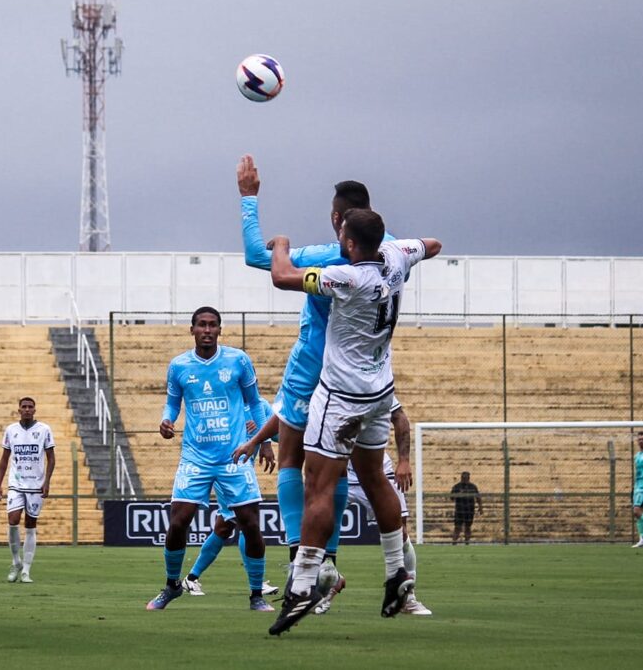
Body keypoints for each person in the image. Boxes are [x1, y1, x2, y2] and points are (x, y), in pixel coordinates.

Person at [265, 209, 441, 635]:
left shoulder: (344, 277)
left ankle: (303, 583)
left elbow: (282, 276)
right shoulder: (398, 257)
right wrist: (404, 249)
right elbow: (432, 245)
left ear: (347, 243)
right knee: (374, 478)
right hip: (381, 393)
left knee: (319, 484)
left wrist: (282, 243)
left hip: (342, 397)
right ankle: (398, 572)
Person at [237, 155, 397, 585]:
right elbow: (431, 247)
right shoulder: (396, 251)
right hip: (367, 374)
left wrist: (249, 198)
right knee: (337, 466)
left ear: (337, 219)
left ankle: (300, 561)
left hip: (312, 369)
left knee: (292, 458)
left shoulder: (328, 257)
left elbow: (261, 258)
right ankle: (330, 559)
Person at [146, 306, 273, 612]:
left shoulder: (238, 360)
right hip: (195, 458)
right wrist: (167, 421)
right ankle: (172, 585)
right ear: (192, 330)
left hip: (234, 457)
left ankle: (256, 594)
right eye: (201, 325)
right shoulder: (179, 366)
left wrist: (264, 441)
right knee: (177, 522)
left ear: (219, 330)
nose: (207, 329)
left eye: (212, 325)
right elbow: (172, 403)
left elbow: (254, 403)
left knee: (251, 525)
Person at [341, 398, 431, 615]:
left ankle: (408, 597)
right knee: (318, 527)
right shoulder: (327, 382)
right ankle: (317, 591)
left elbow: (399, 417)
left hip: (378, 472)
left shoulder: (376, 382)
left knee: (400, 533)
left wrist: (404, 460)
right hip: (339, 471)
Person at [183, 399, 278, 597]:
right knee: (245, 523)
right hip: (224, 470)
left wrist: (267, 437)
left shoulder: (261, 406)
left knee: (224, 527)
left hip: (244, 473)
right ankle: (257, 582)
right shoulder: (224, 402)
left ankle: (191, 578)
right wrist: (240, 430)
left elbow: (275, 432)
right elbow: (209, 433)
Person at [0, 397, 55, 583]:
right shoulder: (11, 430)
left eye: (30, 407)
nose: (27, 409)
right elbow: (4, 459)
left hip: (36, 485)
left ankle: (26, 570)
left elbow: (51, 458)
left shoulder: (44, 430)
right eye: (24, 407)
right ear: (18, 410)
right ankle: (15, 562)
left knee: (30, 525)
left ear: (35, 410)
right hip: (16, 483)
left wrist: (47, 482)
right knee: (13, 520)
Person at [450, 471, 483, 545]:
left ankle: (467, 542)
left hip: (469, 510)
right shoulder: (457, 487)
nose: (464, 479)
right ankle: (454, 542)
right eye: (463, 478)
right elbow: (451, 498)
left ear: (469, 478)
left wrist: (480, 508)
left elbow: (478, 498)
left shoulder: (473, 487)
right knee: (457, 527)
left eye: (466, 478)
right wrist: (458, 494)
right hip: (459, 511)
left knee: (468, 527)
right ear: (461, 478)